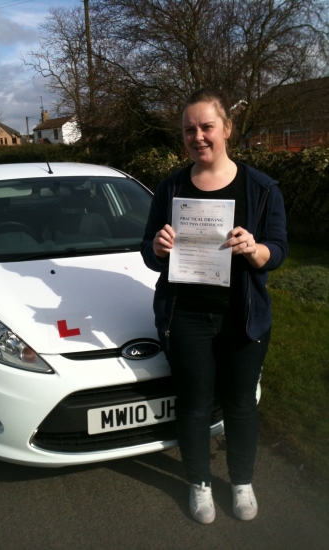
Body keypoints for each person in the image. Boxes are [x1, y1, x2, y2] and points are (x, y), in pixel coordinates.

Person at [140, 88, 288, 524]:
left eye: (207, 127)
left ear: (227, 129)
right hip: (186, 315)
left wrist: (254, 248)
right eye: (189, 129)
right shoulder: (171, 188)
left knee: (241, 403)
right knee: (195, 402)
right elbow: (148, 253)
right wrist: (159, 248)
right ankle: (199, 482)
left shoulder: (261, 188)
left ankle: (241, 481)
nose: (198, 136)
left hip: (242, 315)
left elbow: (277, 251)